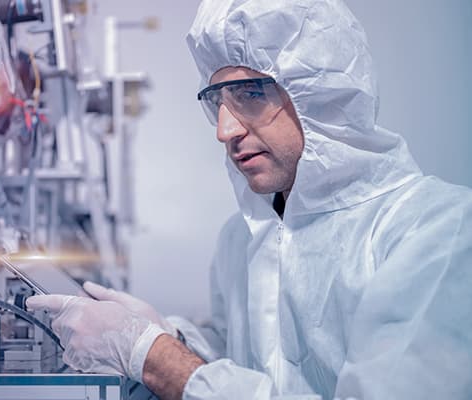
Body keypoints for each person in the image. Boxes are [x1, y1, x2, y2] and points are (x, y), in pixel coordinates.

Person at [25, 0, 472, 399]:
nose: (225, 131)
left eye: (251, 94)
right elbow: (246, 360)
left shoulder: (437, 231)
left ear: (322, 95)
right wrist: (167, 334)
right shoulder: (243, 235)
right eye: (217, 101)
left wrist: (154, 356)